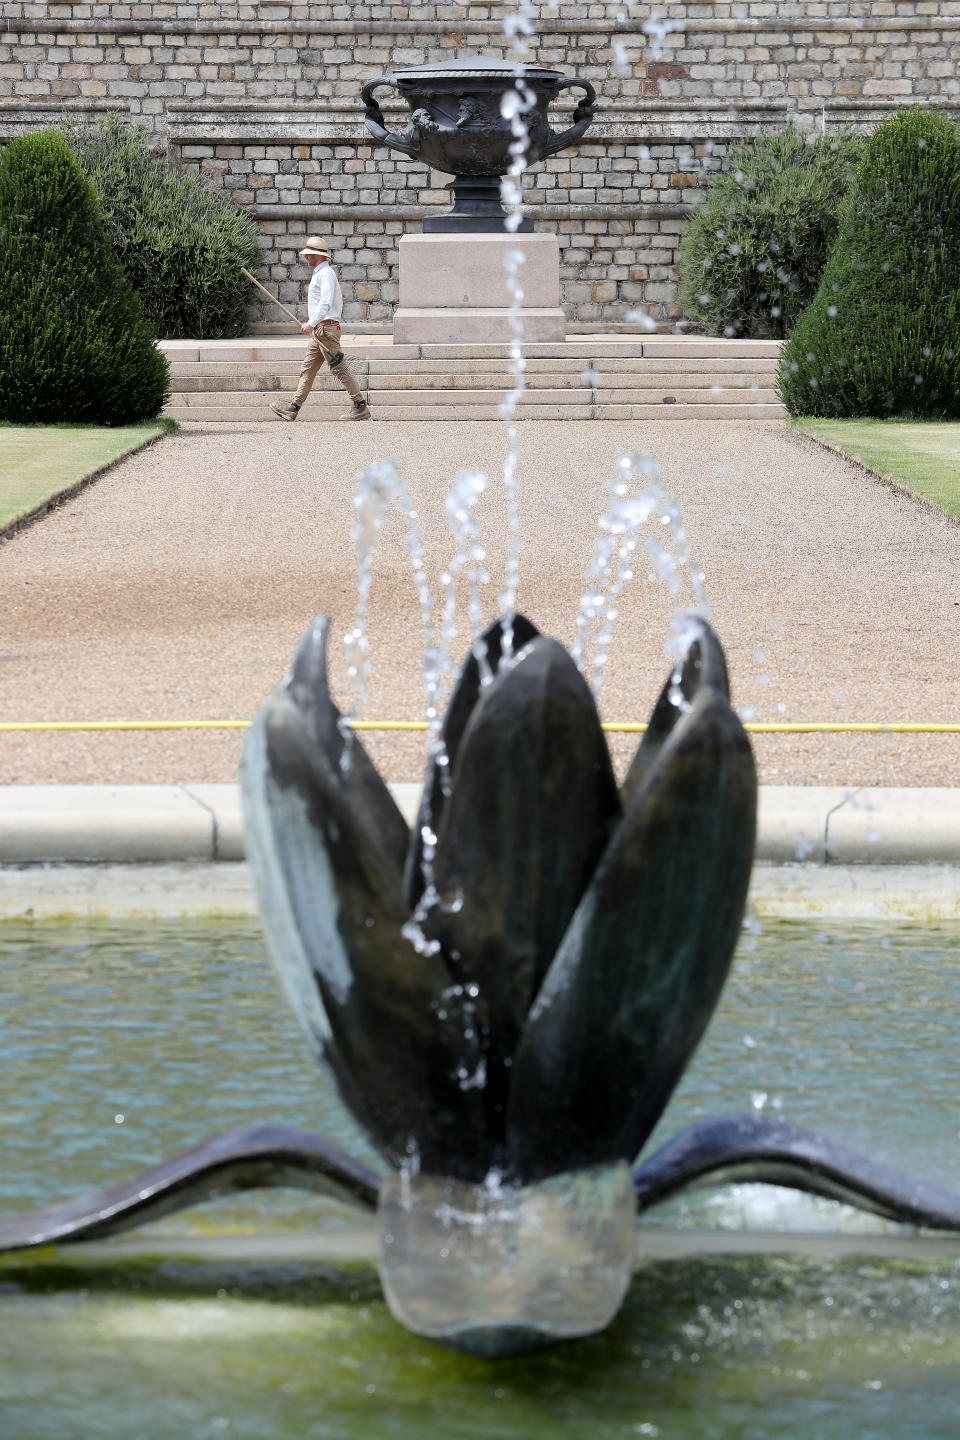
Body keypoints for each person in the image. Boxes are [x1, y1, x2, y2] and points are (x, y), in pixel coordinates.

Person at [270, 236, 371, 422]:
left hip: (326, 329)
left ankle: (360, 405)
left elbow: (325, 301)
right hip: (320, 330)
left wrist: (311, 322)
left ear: (316, 256)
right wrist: (313, 324)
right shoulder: (320, 273)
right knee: (307, 369)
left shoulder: (326, 274)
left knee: (339, 368)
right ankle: (293, 407)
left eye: (308, 254)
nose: (306, 257)